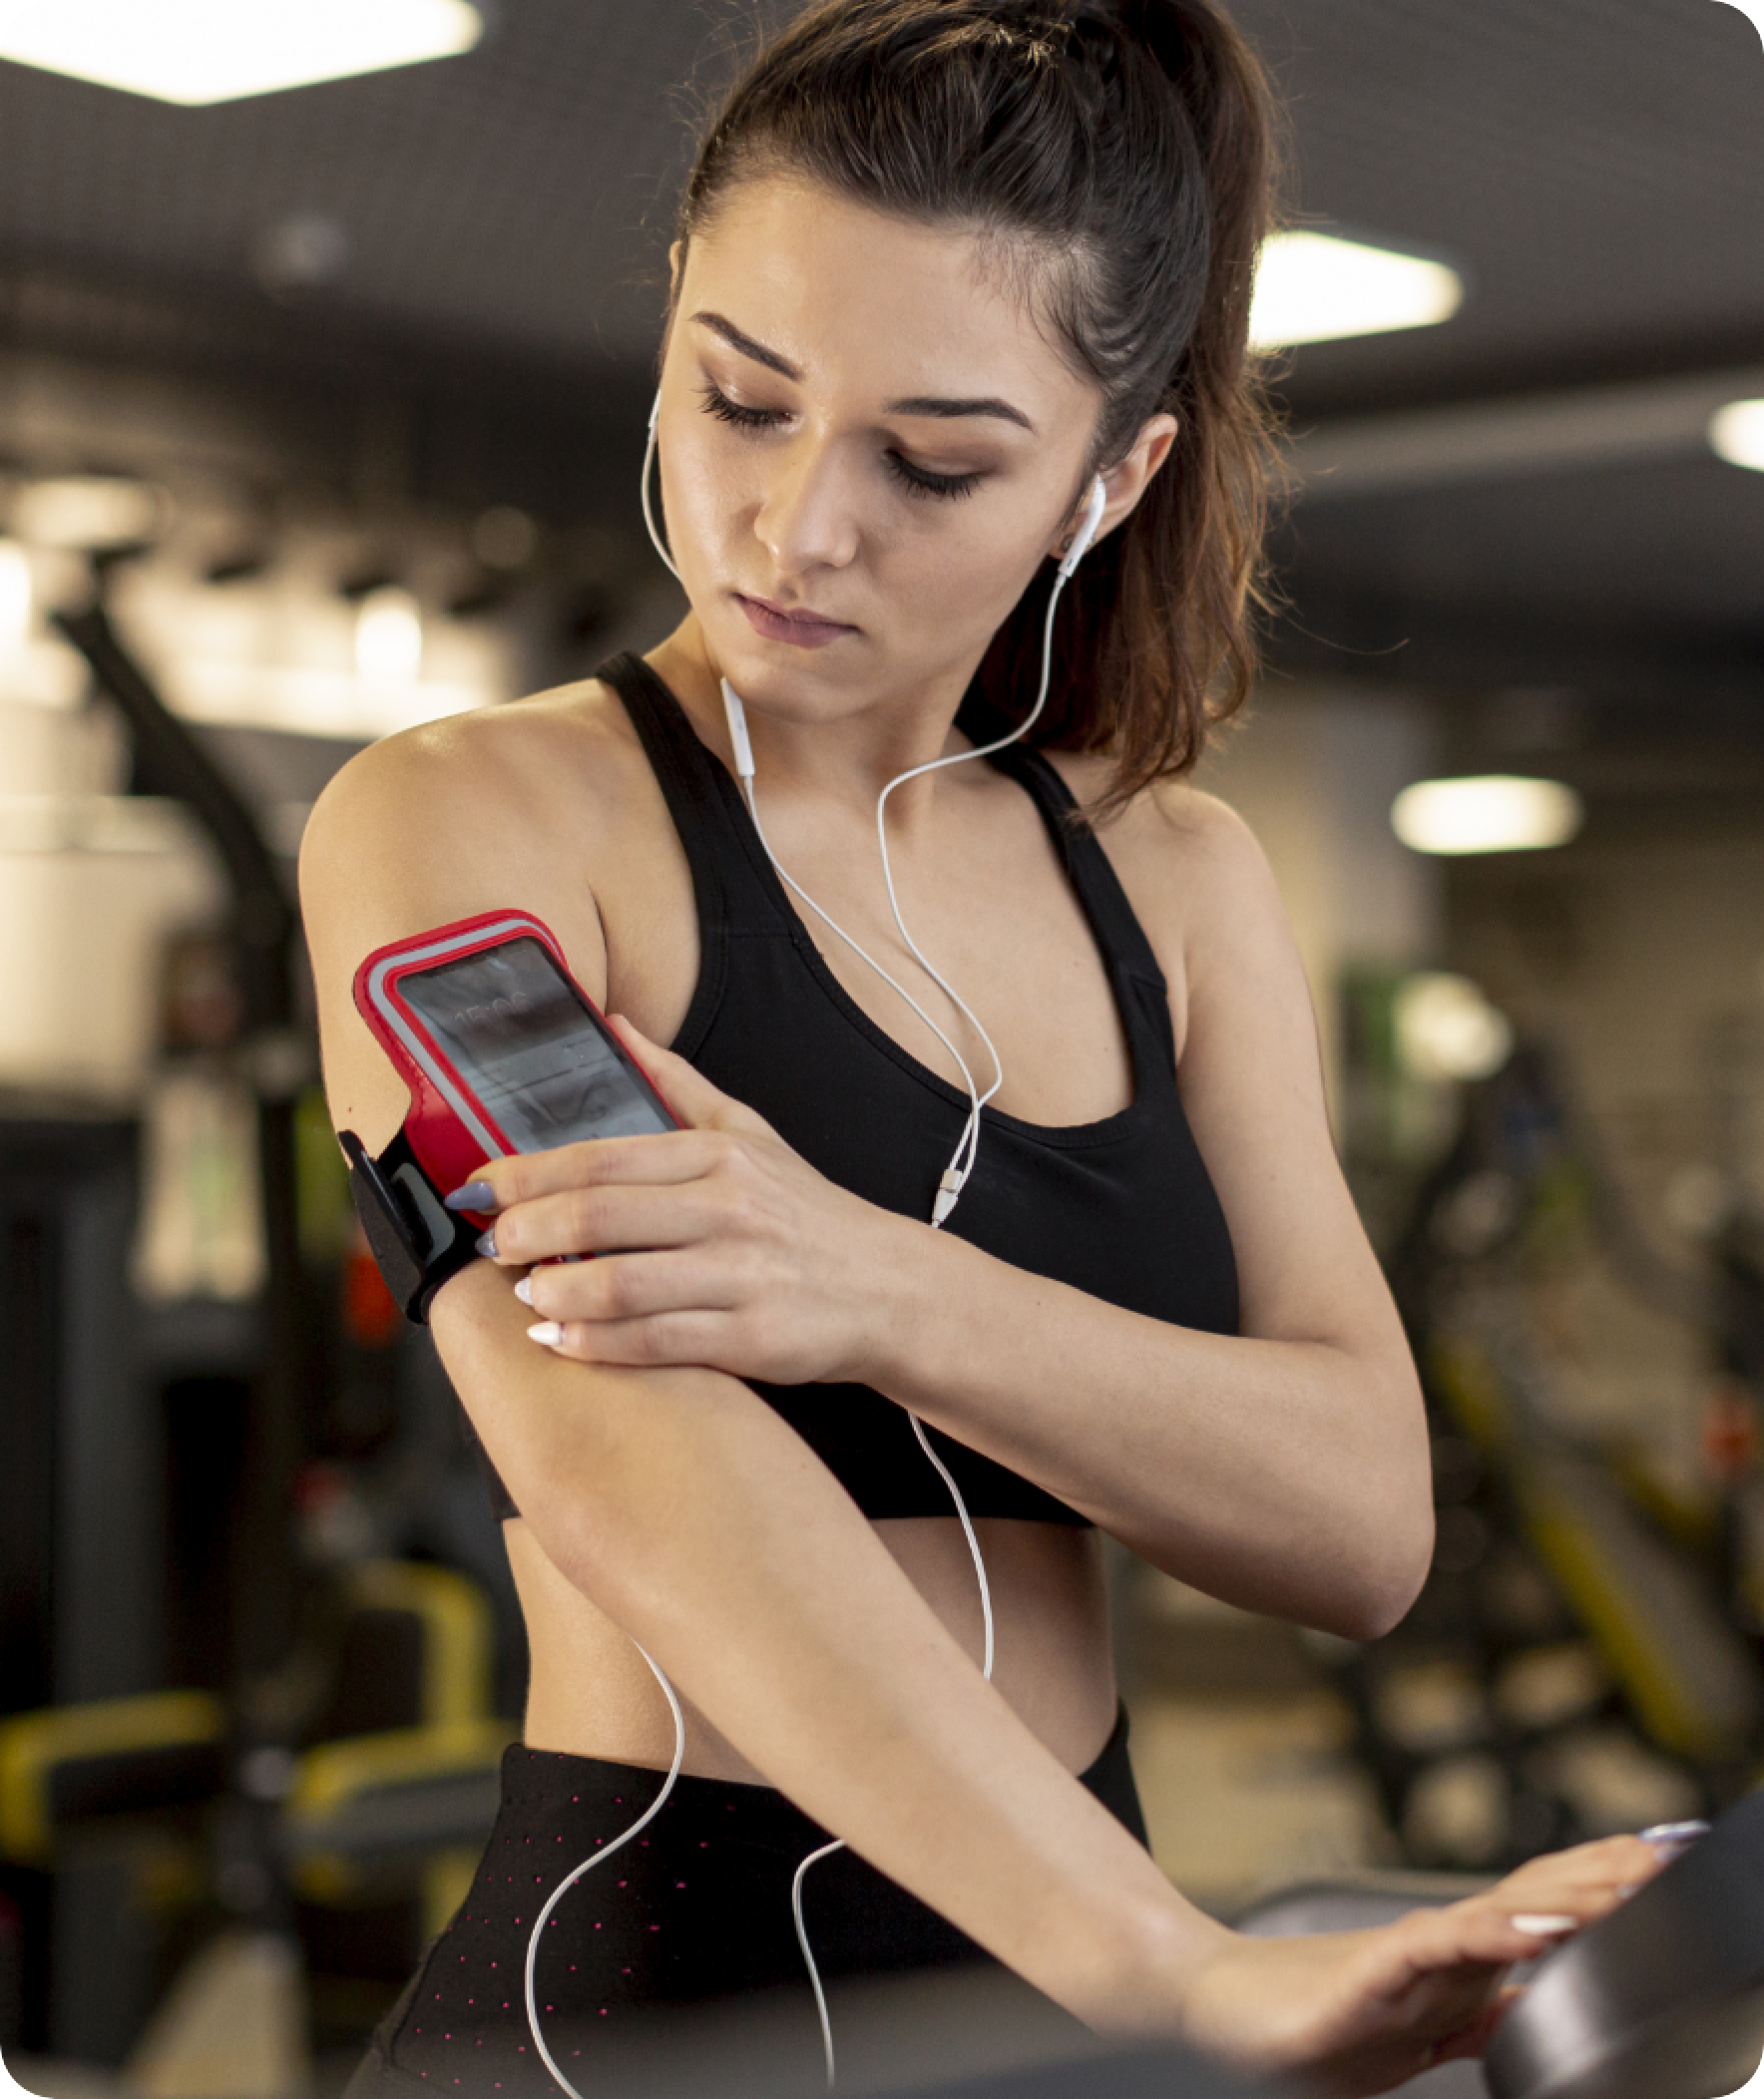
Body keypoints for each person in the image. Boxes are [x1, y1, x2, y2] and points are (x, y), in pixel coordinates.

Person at [305, 2, 1665, 2091]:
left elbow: (1358, 1515)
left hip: (1089, 1959)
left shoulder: (1173, 881)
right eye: (739, 399)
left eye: (929, 461)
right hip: (650, 1988)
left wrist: (880, 1286)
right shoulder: (474, 822)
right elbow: (623, 1459)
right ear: (673, 313)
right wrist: (1162, 1964)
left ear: (1111, 477)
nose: (793, 525)